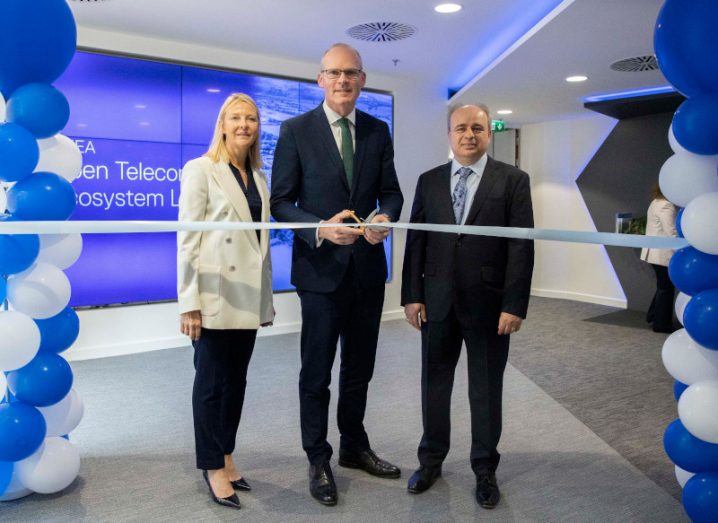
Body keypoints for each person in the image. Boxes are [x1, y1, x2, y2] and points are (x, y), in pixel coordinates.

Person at [270, 43, 404, 506]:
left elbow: (391, 193)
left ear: (362, 80)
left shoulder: (377, 130)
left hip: (367, 271)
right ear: (320, 79)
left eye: (351, 73)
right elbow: (280, 203)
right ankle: (318, 456)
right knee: (317, 371)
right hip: (320, 274)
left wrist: (384, 218)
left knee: (359, 369)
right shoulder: (295, 130)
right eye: (334, 73)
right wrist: (320, 229)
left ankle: (353, 445)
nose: (343, 81)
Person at [401, 104, 534, 509]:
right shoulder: (428, 182)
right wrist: (411, 294)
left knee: (485, 390)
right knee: (434, 386)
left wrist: (514, 304)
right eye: (461, 128)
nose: (469, 135)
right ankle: (431, 461)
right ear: (449, 134)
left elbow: (521, 246)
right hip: (437, 303)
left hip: (490, 307)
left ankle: (485, 469)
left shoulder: (512, 180)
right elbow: (417, 241)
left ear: (488, 133)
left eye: (477, 128)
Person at [177, 93, 274, 510]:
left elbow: (258, 245)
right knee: (211, 387)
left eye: (251, 118)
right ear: (222, 123)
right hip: (214, 296)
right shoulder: (201, 170)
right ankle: (212, 465)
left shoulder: (258, 175)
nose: (244, 125)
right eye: (235, 117)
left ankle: (227, 452)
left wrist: (265, 301)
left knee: (237, 383)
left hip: (247, 299)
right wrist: (188, 303)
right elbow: (187, 239)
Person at [640, 183, 678, 333]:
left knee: (663, 287)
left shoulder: (655, 202)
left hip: (654, 253)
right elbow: (671, 232)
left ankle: (654, 315)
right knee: (666, 288)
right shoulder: (666, 205)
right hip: (662, 254)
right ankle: (661, 324)